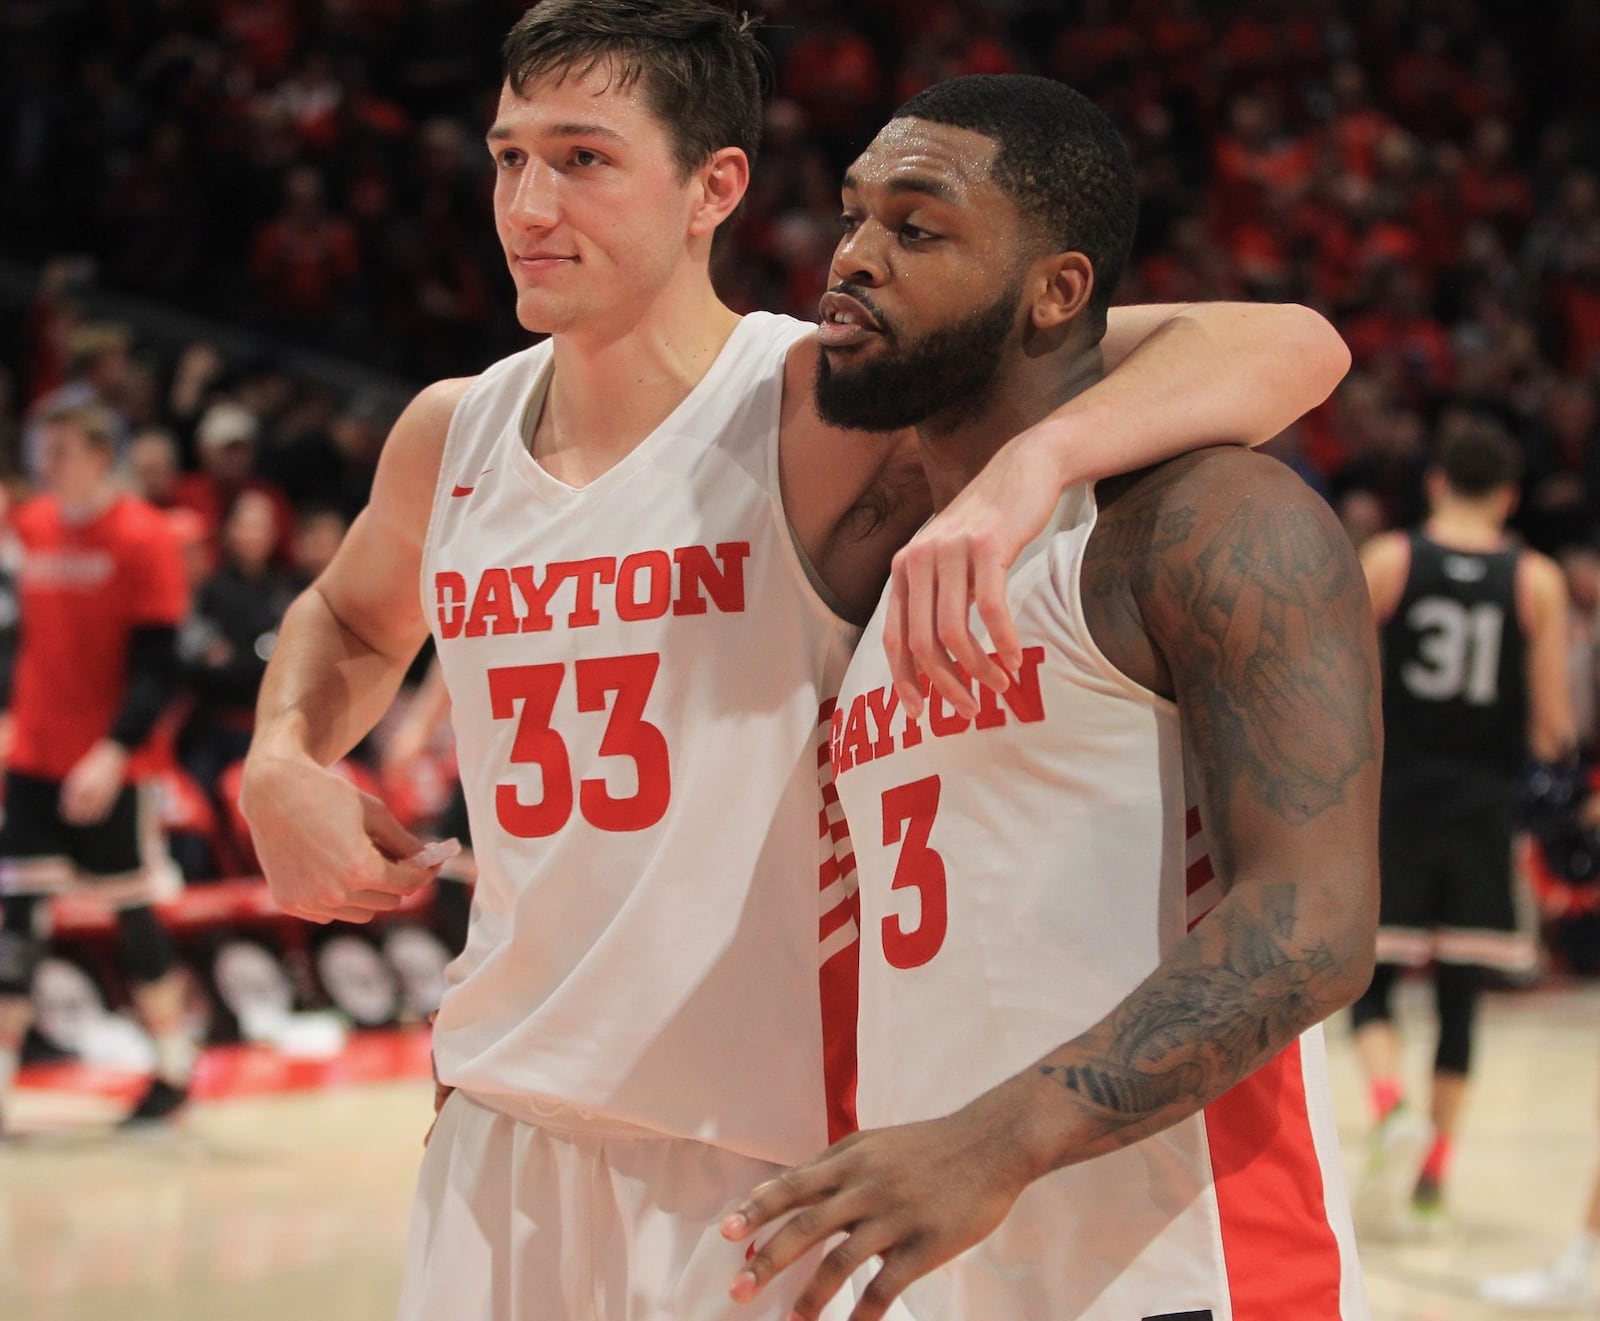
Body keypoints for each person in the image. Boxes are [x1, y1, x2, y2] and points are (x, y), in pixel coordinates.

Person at [238, 5, 1351, 1318]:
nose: (530, 202)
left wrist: (1040, 462)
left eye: (583, 159)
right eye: (507, 157)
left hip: (767, 1155)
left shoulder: (829, 397)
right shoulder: (451, 432)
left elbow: (1286, 341)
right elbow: (356, 620)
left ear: (715, 186)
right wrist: (281, 757)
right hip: (506, 1114)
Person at [720, 74, 1378, 1320]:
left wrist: (995, 1141)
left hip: (1195, 1277)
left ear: (1058, 292)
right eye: (853, 217)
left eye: (916, 229)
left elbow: (1313, 922)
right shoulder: (889, 577)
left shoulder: (1205, 521)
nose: (852, 257)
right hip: (945, 1272)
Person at [1349, 416, 1573, 1235]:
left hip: (1395, 795)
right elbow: (1552, 720)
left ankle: (1386, 1102)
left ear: (1438, 482)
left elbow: (1345, 678)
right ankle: (1435, 1175)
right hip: (1483, 809)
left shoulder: (1392, 560)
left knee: (1369, 978)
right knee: (1461, 998)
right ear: (1509, 497)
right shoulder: (1536, 579)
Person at [0, 404, 196, 1132]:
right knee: (17, 918)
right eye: (38, 446)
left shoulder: (144, 535)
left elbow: (160, 667)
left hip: (112, 763)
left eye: (55, 448)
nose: (42, 460)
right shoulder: (32, 527)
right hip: (33, 758)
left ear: (95, 452)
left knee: (131, 911)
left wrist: (113, 750)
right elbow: (20, 637)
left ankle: (174, 1069)